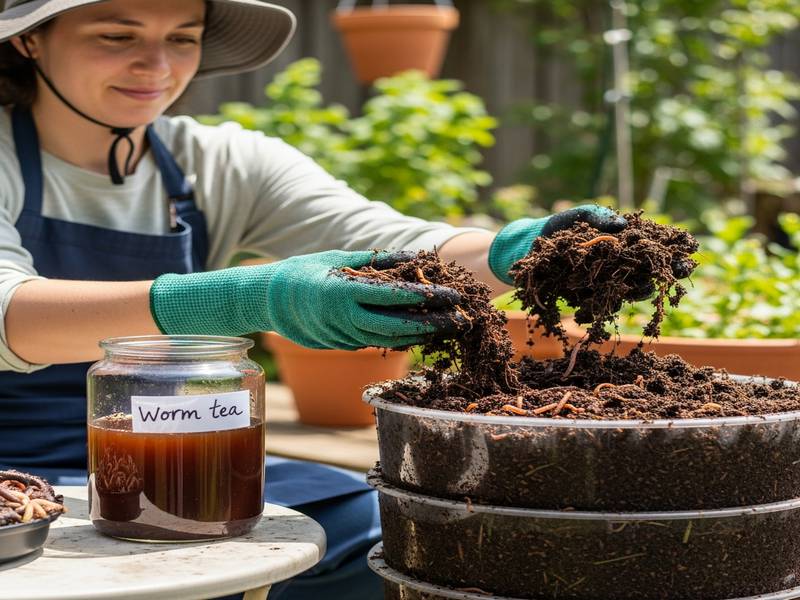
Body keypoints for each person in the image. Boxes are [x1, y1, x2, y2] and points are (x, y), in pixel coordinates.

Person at [0, 0, 627, 597]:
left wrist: (514, 254)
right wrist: (245, 299)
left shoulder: (217, 161)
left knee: (398, 537)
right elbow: (12, 312)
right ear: (30, 38)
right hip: (17, 469)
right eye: (117, 36)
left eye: (182, 38)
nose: (157, 65)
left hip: (183, 450)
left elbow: (386, 243)